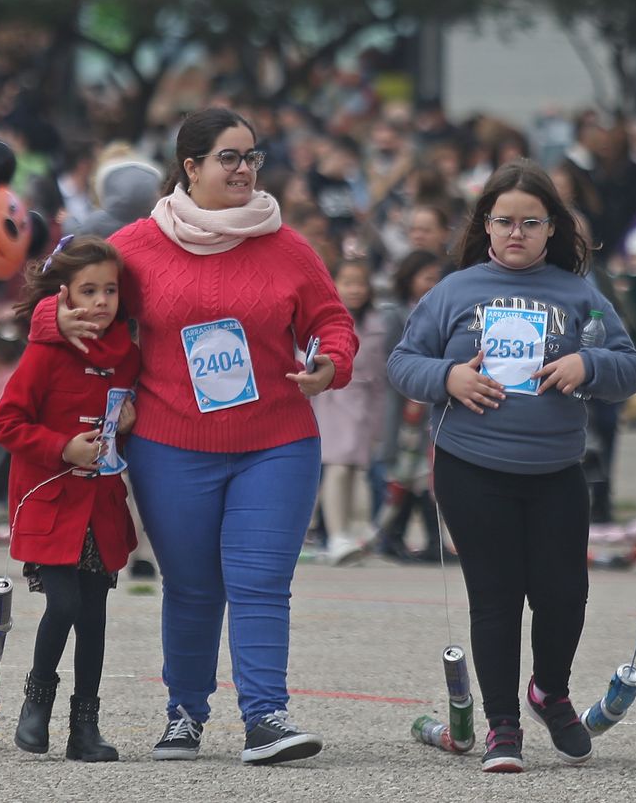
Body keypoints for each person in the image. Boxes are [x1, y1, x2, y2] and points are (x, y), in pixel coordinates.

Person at [46, 108, 357, 765]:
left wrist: (330, 362)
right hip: (170, 445)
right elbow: (57, 295)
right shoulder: (135, 245)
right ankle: (184, 714)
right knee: (190, 586)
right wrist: (58, 321)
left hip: (276, 441)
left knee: (261, 581)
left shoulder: (288, 245)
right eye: (229, 158)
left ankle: (266, 718)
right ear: (191, 167)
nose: (244, 170)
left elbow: (333, 321)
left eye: (252, 157)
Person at [388, 160, 636, 774]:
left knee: (565, 594)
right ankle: (504, 725)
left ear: (553, 228)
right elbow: (402, 362)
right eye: (503, 221)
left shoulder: (579, 294)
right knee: (497, 597)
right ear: (485, 224)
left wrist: (590, 365)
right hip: (472, 467)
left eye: (532, 222)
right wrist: (447, 377)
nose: (516, 233)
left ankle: (548, 692)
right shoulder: (453, 291)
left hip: (556, 469)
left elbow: (631, 367)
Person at [0, 236, 139, 762]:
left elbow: (126, 416)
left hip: (99, 510)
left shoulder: (127, 355)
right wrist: (62, 447)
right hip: (51, 505)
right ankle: (36, 700)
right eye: (89, 290)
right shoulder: (45, 352)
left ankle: (85, 726)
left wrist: (130, 421)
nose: (101, 301)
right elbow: (5, 421)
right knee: (65, 603)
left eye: (110, 291)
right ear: (64, 296)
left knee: (95, 617)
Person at [373, 250, 448, 562]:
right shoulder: (395, 315)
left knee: (425, 478)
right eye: (427, 278)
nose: (434, 284)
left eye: (437, 278)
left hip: (429, 409)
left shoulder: (443, 313)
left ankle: (430, 540)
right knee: (404, 475)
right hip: (405, 411)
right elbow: (389, 360)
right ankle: (390, 535)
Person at [312, 259, 387, 565]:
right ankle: (337, 534)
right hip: (331, 398)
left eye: (360, 283)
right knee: (337, 467)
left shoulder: (377, 325)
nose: (354, 289)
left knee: (356, 470)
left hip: (364, 404)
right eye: (347, 282)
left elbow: (381, 378)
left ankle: (351, 532)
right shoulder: (323, 319)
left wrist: (379, 421)